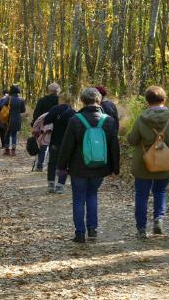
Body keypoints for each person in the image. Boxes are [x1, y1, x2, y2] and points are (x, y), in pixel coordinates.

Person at [57, 87, 120, 243]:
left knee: (78, 198)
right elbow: (114, 147)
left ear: (83, 101)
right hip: (100, 167)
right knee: (92, 195)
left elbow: (67, 146)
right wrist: (115, 169)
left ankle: (79, 233)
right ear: (99, 100)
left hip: (78, 168)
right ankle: (92, 229)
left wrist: (61, 166)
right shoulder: (109, 121)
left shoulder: (75, 120)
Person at [127, 86, 169, 239]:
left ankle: (141, 228)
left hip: (143, 163)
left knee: (141, 195)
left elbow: (132, 140)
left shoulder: (141, 119)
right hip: (165, 162)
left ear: (147, 101)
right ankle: (158, 220)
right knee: (160, 192)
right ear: (164, 100)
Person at [43, 93, 76, 193]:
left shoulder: (55, 109)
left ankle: (51, 184)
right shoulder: (73, 112)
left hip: (55, 141)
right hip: (68, 142)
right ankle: (60, 185)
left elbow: (46, 121)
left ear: (61, 99)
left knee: (52, 162)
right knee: (65, 163)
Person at [31, 82, 61, 170]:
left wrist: (36, 125)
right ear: (58, 91)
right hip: (58, 126)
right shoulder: (61, 101)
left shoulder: (42, 100)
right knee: (56, 145)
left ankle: (40, 165)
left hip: (43, 126)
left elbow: (36, 114)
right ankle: (54, 166)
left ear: (49, 90)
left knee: (43, 144)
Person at [0, 85, 27, 156]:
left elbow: (2, 106)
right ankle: (13, 151)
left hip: (8, 119)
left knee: (7, 134)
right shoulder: (21, 100)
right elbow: (23, 110)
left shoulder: (8, 98)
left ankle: (7, 150)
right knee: (14, 135)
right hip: (17, 119)